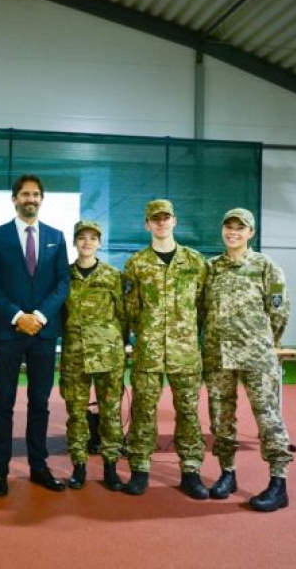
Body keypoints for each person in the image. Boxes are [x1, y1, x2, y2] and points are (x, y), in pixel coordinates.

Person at [0, 174, 70, 497]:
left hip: (43, 335)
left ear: (41, 199)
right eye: (25, 194)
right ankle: (0, 471)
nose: (30, 199)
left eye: (35, 194)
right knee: (4, 403)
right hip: (8, 331)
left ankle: (38, 466)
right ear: (14, 199)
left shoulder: (57, 237)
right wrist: (19, 317)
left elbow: (63, 283)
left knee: (40, 403)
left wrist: (40, 317)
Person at [202, 208, 293, 512]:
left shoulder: (267, 267)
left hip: (256, 355)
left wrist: (265, 342)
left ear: (250, 233)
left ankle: (278, 482)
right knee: (220, 417)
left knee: (268, 417)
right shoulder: (210, 268)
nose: (233, 232)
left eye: (240, 228)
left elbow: (279, 310)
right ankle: (227, 473)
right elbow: (201, 310)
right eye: (229, 227)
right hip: (218, 354)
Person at [122, 199, 209, 499]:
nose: (161, 223)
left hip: (185, 352)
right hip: (149, 351)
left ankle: (191, 471)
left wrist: (185, 333)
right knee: (143, 410)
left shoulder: (195, 262)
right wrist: (147, 332)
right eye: (155, 219)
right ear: (147, 224)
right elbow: (131, 308)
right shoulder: (136, 264)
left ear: (175, 221)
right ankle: (140, 469)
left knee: (188, 411)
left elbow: (202, 306)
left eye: (166, 217)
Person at [60, 220, 127, 491]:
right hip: (75, 354)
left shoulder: (113, 276)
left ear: (100, 243)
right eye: (82, 237)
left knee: (110, 413)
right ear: (74, 242)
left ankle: (111, 467)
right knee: (76, 413)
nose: (87, 242)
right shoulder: (64, 275)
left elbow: (123, 314)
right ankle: (79, 466)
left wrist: (117, 343)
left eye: (92, 238)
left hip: (108, 354)